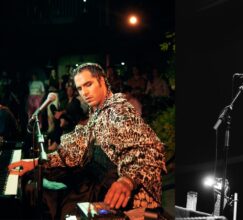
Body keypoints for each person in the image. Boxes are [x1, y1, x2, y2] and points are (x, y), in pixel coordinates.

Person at [9, 63, 167, 219]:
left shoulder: (119, 111)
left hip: (124, 199)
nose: (84, 92)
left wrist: (127, 181)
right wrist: (35, 162)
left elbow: (151, 149)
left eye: (88, 84)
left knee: (58, 204)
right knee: (43, 191)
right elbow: (74, 150)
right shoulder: (99, 112)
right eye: (79, 88)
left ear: (102, 81)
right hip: (97, 185)